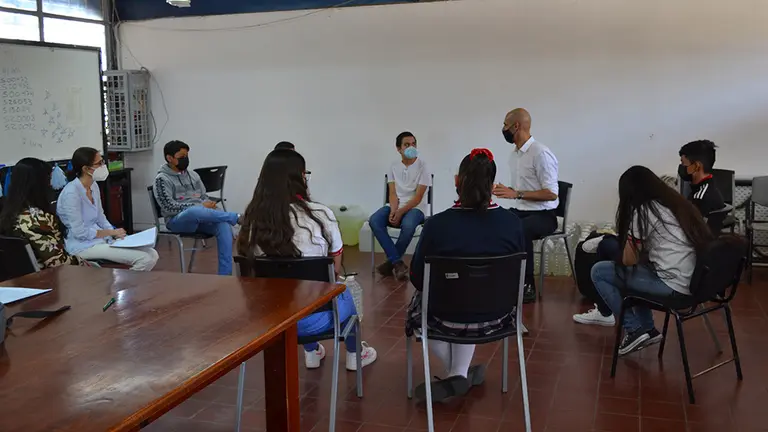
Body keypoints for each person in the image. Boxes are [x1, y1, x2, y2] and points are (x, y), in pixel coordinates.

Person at [237, 149, 377, 371]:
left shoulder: (251, 219)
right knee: (341, 291)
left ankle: (312, 352)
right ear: (300, 177)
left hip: (265, 320)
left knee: (290, 294)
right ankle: (354, 353)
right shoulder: (320, 215)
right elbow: (335, 269)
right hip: (313, 320)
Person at [407, 148, 526, 402]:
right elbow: (521, 279)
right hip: (499, 316)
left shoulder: (436, 225)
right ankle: (459, 373)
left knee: (424, 309)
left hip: (443, 316)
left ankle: (457, 373)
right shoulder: (513, 224)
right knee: (473, 293)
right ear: (493, 186)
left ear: (457, 181)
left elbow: (417, 279)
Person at [575, 166, 712, 356]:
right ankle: (648, 329)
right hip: (695, 282)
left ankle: (634, 329)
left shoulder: (645, 211)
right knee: (635, 272)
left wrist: (617, 241)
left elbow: (629, 260)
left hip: (674, 287)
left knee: (601, 271)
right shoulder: (676, 203)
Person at [493, 108, 559, 303]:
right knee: (494, 220)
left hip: (544, 214)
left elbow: (551, 193)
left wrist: (517, 194)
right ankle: (503, 277)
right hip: (522, 209)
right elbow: (522, 189)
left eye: (505, 125)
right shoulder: (515, 155)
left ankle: (527, 284)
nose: (503, 129)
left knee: (521, 230)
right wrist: (508, 190)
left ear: (516, 126)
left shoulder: (540, 153)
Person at [58, 148, 159, 271]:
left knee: (152, 254)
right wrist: (110, 233)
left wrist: (115, 233)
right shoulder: (71, 193)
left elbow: (101, 217)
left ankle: (128, 285)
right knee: (145, 259)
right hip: (82, 246)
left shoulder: (93, 186)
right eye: (99, 163)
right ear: (85, 169)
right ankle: (128, 287)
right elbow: (80, 233)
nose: (103, 166)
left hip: (100, 240)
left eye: (103, 162)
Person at [153, 140, 241, 275]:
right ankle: (235, 218)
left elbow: (203, 196)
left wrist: (208, 204)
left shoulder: (193, 175)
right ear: (169, 158)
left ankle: (225, 275)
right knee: (194, 211)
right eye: (181, 157)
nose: (185, 159)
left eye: (186, 156)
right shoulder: (162, 179)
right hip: (177, 221)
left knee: (222, 225)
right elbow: (168, 206)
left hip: (200, 219)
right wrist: (200, 206)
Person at [0, 158, 89, 269]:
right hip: (46, 277)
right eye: (49, 180)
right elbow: (57, 262)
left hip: (17, 278)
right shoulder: (36, 220)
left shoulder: (8, 212)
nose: (51, 185)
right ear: (38, 184)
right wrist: (82, 262)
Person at [370, 131, 432, 280]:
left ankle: (391, 263)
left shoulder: (424, 166)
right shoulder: (393, 166)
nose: (411, 147)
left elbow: (417, 197)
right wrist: (393, 210)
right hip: (396, 205)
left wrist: (400, 212)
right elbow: (392, 193)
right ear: (399, 149)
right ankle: (397, 262)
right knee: (375, 220)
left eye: (413, 144)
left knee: (408, 224)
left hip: (416, 208)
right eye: (407, 144)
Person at [678, 140, 726, 234]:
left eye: (683, 163)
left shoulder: (701, 197)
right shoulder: (705, 188)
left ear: (696, 166)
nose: (681, 167)